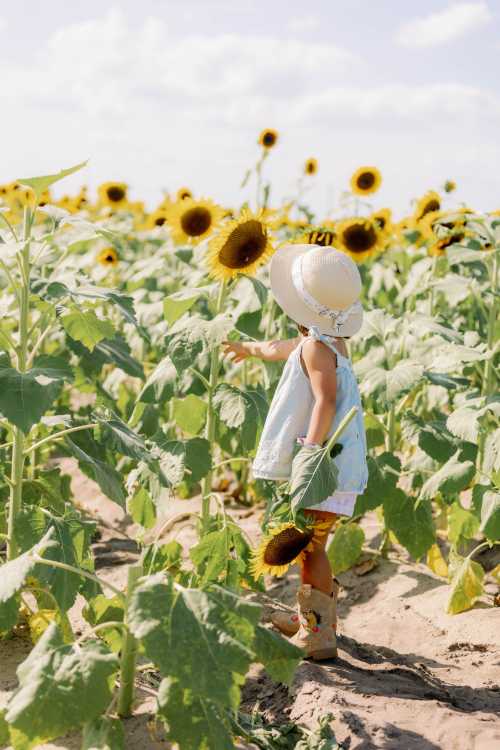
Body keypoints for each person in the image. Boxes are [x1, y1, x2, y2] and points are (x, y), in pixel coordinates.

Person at [223, 243, 369, 660]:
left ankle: (319, 634)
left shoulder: (316, 348)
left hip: (324, 464)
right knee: (313, 543)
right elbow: (282, 348)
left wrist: (309, 449)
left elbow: (326, 399)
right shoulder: (329, 340)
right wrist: (249, 349)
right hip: (334, 462)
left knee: (312, 546)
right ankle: (313, 618)